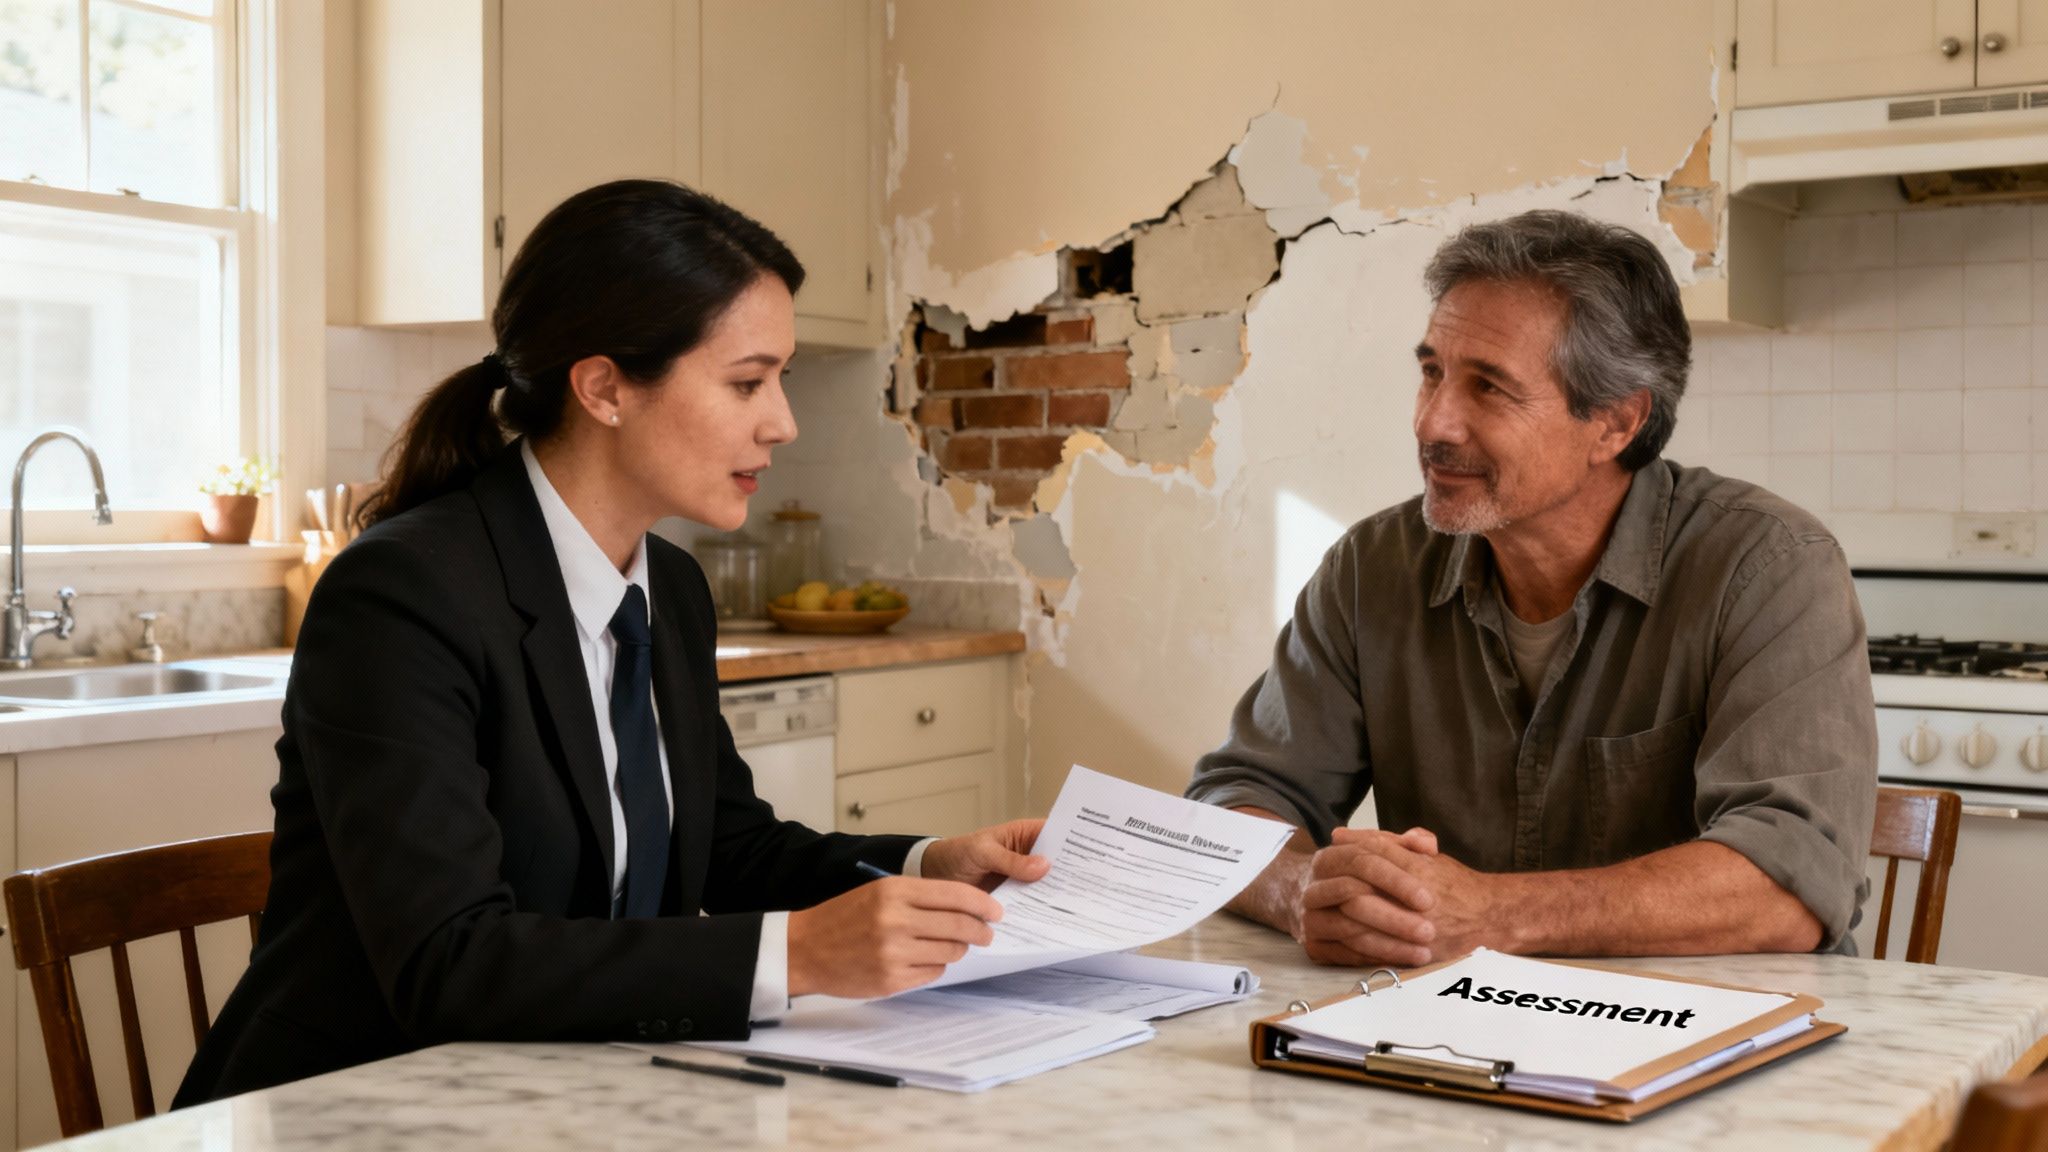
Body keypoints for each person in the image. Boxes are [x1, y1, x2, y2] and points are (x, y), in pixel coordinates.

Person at [176, 180, 1047, 1105]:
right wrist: (796, 952)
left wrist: (929, 864)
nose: (782, 421)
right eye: (748, 381)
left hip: (572, 1090)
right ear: (604, 388)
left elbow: (724, 849)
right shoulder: (402, 595)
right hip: (359, 1105)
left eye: (779, 379)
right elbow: (449, 961)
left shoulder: (670, 588)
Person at [1185, 210, 1876, 970]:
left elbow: (1791, 881)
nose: (1432, 420)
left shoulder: (1770, 568)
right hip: (1455, 1034)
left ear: (1615, 423)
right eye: (1431, 372)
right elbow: (1237, 798)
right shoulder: (1370, 570)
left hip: (1717, 1047)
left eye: (1489, 387)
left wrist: (1489, 915)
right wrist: (1301, 891)